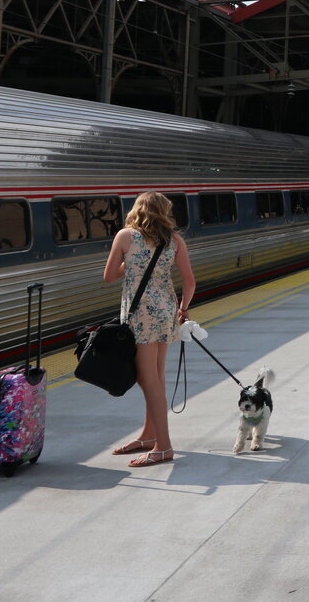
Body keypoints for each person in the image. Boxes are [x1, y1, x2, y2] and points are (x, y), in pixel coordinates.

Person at [103, 191, 196, 467]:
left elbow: (108, 276)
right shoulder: (175, 240)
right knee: (156, 376)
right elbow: (189, 282)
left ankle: (164, 446)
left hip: (140, 314)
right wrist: (183, 308)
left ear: (138, 210)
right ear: (164, 212)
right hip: (166, 310)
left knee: (147, 379)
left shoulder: (125, 237)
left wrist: (131, 264)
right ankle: (149, 435)